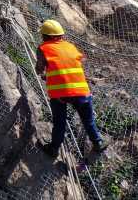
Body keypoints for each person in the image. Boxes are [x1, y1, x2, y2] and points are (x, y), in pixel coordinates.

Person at [36, 19, 108, 157]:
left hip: (60, 94)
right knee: (88, 120)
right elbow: (67, 67)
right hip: (81, 91)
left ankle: (54, 149)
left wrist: (44, 73)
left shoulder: (43, 48)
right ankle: (98, 142)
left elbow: (40, 69)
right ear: (61, 35)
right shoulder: (71, 46)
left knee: (59, 122)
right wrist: (52, 75)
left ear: (45, 36)